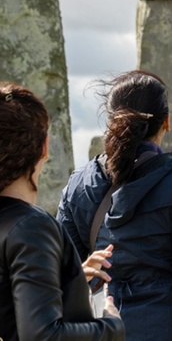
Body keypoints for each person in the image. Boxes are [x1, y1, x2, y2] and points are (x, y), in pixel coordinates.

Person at [56, 71, 172, 340]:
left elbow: (63, 273)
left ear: (112, 122)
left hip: (99, 327)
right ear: (166, 121)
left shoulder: (78, 184)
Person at [0, 82, 125, 340]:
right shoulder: (30, 228)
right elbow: (42, 335)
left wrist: (70, 277)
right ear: (44, 146)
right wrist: (111, 327)